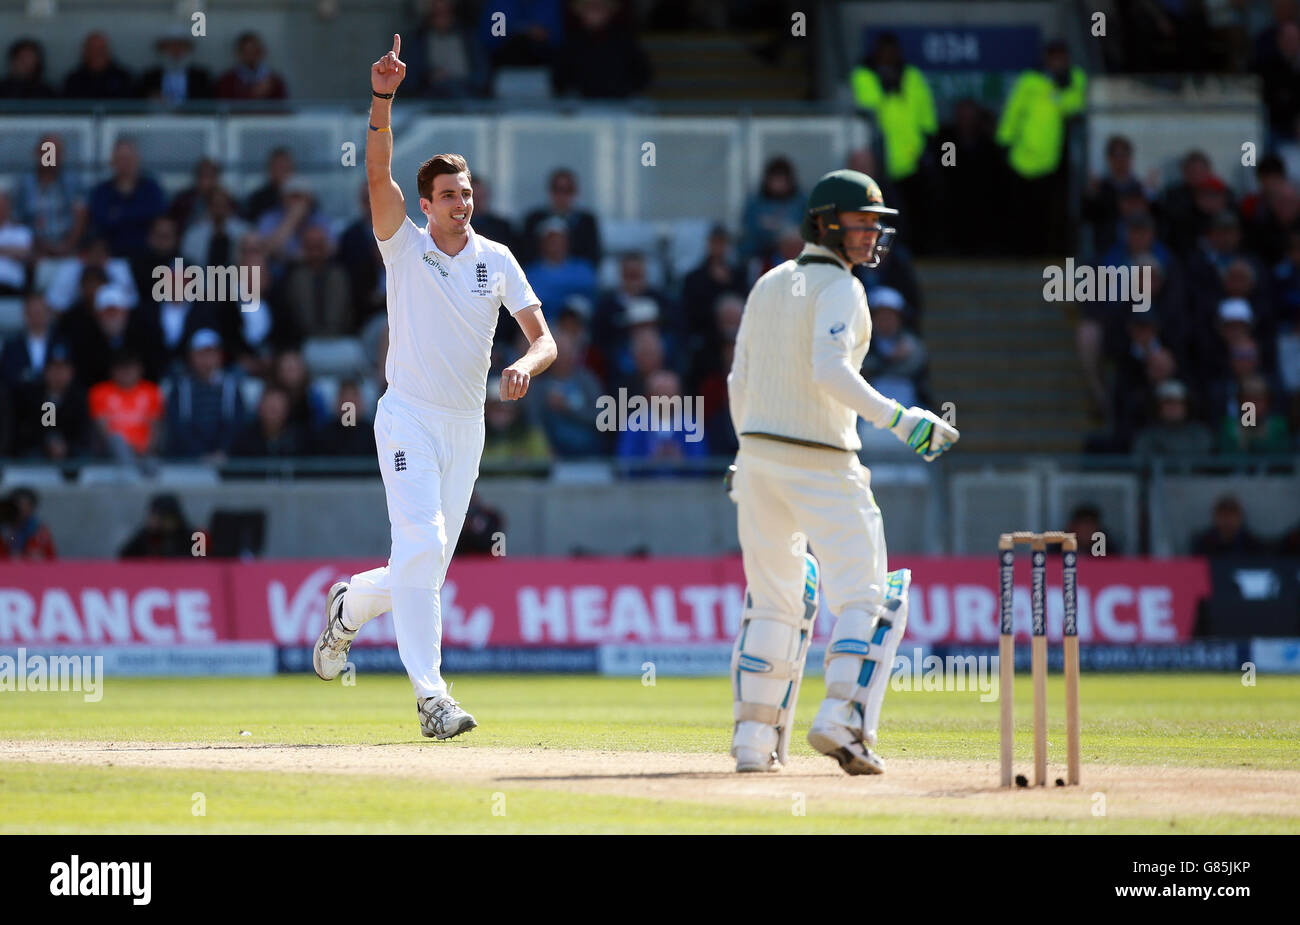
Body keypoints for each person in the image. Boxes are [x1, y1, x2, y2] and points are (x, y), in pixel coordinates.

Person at [311, 35, 556, 741]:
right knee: (424, 539)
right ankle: (432, 696)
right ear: (426, 202)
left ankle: (350, 607)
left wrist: (525, 367)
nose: (462, 203)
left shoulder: (498, 258)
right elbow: (377, 168)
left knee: (423, 564)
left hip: (465, 426)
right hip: (408, 417)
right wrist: (382, 96)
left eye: (468, 193)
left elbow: (545, 339)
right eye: (449, 194)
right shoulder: (404, 243)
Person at [725, 169, 957, 776]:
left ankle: (753, 743)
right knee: (869, 594)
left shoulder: (768, 283)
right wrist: (902, 420)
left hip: (758, 463)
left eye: (875, 225)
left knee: (775, 601)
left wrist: (743, 451)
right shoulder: (843, 289)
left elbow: (737, 381)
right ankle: (841, 720)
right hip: (821, 460)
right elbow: (829, 370)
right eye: (860, 223)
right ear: (825, 222)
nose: (870, 235)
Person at [119, 493, 202, 558]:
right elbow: (124, 556)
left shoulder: (192, 537)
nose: (152, 520)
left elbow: (202, 562)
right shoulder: (145, 535)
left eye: (159, 517)